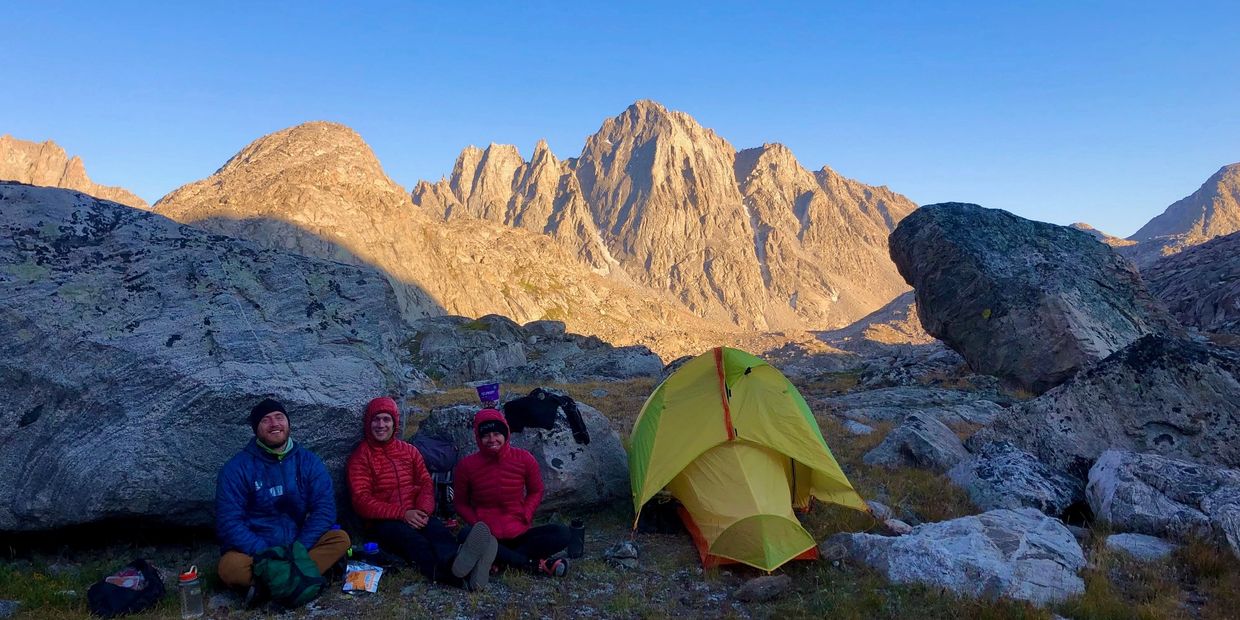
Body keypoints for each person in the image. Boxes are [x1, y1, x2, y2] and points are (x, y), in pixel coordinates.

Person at [347, 397, 498, 590]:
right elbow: (361, 500)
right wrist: (402, 514)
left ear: (395, 423)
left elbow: (425, 482)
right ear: (368, 424)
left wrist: (423, 510)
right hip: (383, 521)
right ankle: (457, 578)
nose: (381, 425)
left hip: (416, 512)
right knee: (416, 543)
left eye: (386, 419)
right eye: (376, 420)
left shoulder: (409, 451)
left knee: (439, 533)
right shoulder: (361, 456)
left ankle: (458, 562)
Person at [215, 398, 350, 603]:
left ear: (288, 423)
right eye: (266, 420)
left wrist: (299, 549)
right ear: (256, 429)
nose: (275, 424)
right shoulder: (236, 468)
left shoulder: (308, 461)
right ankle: (304, 579)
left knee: (340, 538)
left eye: (280, 417)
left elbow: (325, 509)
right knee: (229, 566)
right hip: (257, 552)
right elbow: (229, 521)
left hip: (298, 544)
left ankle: (266, 587)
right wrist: (266, 553)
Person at [454, 408, 571, 577]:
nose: (492, 439)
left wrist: (526, 513)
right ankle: (530, 564)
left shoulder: (524, 459)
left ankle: (498, 561)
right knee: (465, 534)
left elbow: (536, 490)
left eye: (496, 433)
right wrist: (477, 523)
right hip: (488, 536)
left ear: (505, 433)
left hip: (519, 532)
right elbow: (460, 503)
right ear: (478, 437)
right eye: (486, 435)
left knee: (562, 533)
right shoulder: (466, 466)